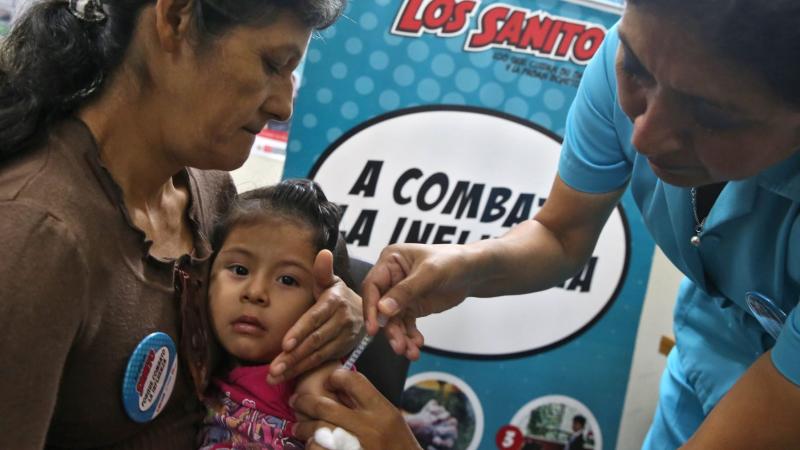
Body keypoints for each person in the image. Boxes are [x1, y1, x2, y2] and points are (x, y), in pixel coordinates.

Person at [300, 1, 800, 449]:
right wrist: (466, 264)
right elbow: (561, 234)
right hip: (709, 352)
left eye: (712, 115)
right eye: (636, 71)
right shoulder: (641, 51)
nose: (644, 138)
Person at [0, 0, 365, 448]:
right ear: (175, 19)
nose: (283, 105)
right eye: (272, 64)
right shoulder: (39, 236)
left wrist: (338, 316)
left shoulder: (210, 191)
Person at [198, 179, 353, 449]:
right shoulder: (200, 354)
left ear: (323, 304)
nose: (255, 292)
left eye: (287, 280)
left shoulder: (314, 376)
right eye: (239, 270)